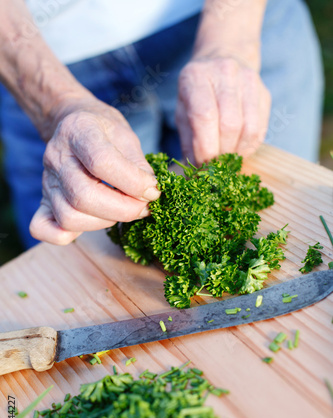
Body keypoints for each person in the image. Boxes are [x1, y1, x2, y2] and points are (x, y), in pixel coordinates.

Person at [0, 0, 323, 249]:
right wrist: (56, 106)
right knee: (80, 264)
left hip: (238, 18)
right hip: (39, 56)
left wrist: (229, 44)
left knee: (278, 223)